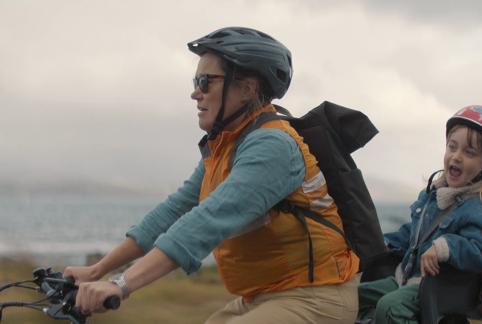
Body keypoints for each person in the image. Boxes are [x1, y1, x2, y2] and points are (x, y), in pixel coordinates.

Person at [63, 26, 360, 323]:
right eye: (196, 81)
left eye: (206, 81)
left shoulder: (273, 146)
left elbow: (205, 223)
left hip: (317, 298)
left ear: (248, 88)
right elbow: (171, 213)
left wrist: (121, 284)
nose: (195, 93)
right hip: (263, 296)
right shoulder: (226, 146)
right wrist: (98, 270)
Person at [357, 105, 482, 324]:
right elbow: (412, 234)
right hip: (405, 277)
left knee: (389, 308)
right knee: (350, 296)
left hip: (433, 287)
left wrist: (444, 247)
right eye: (452, 147)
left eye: (469, 153)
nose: (456, 157)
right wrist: (376, 246)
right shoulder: (432, 196)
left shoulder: (478, 207)